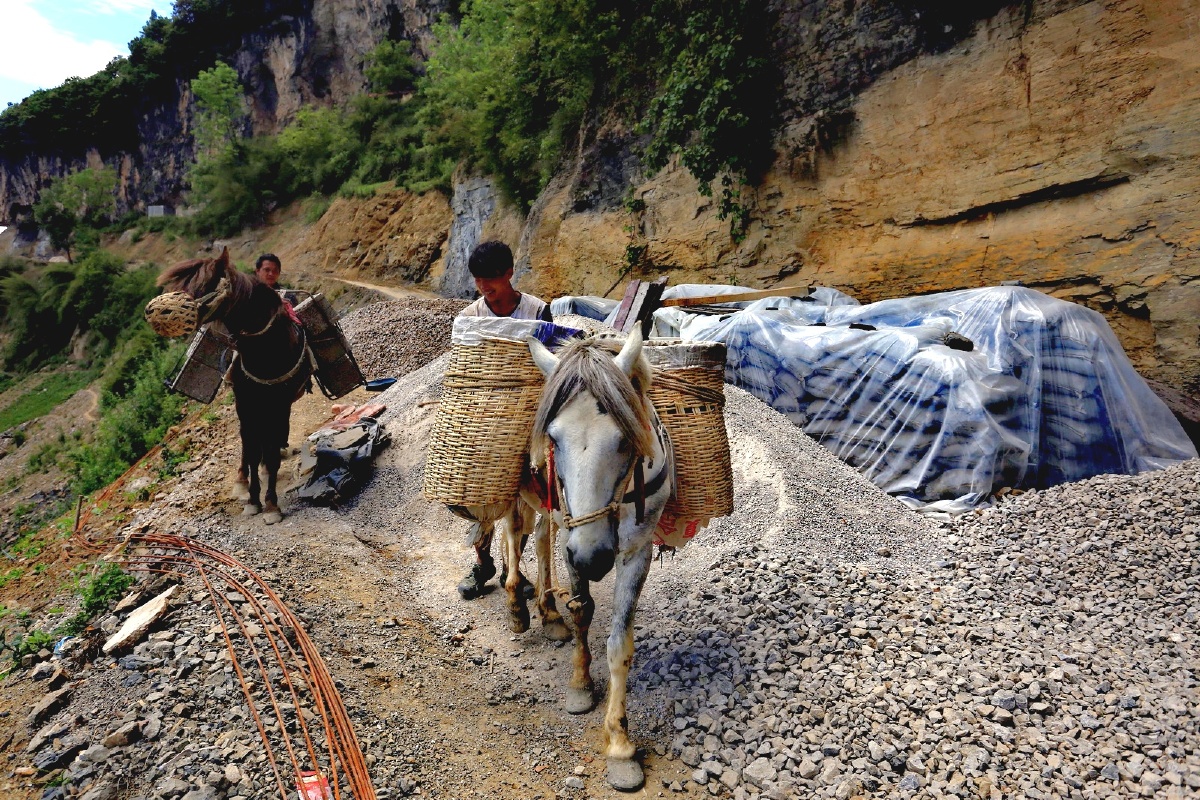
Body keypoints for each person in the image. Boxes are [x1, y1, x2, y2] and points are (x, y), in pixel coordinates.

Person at [456, 240, 551, 600]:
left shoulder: (537, 311)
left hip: (527, 421)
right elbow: (464, 371)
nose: (484, 287)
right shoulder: (470, 316)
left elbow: (549, 362)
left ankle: (515, 566)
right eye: (478, 279)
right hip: (484, 422)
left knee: (525, 498)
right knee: (481, 496)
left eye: (491, 278)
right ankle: (483, 565)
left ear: (509, 273)